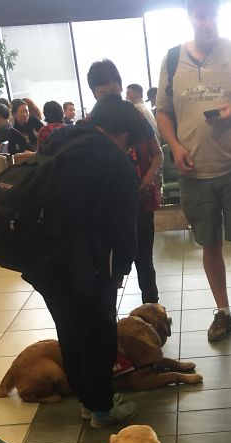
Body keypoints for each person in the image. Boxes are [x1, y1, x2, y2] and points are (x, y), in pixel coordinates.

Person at [156, 0, 231, 342]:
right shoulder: (172, 58)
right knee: (209, 245)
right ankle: (222, 311)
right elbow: (163, 112)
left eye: (212, 13)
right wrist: (175, 148)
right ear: (191, 17)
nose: (206, 21)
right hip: (193, 172)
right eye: (200, 14)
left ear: (219, 15)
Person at [26, 94, 144, 427]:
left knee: (70, 330)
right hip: (88, 264)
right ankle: (102, 409)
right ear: (121, 133)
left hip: (44, 260)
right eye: (128, 142)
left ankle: (87, 401)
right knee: (97, 334)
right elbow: (124, 227)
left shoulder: (56, 141)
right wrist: (122, 266)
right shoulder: (111, 159)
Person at [87, 61, 163, 305]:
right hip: (107, 206)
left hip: (140, 200)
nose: (110, 97)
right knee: (109, 265)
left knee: (144, 260)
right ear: (94, 94)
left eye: (114, 91)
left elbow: (157, 154)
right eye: (103, 93)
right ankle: (108, 320)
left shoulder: (136, 116)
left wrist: (147, 179)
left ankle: (152, 313)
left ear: (120, 87)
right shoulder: (90, 124)